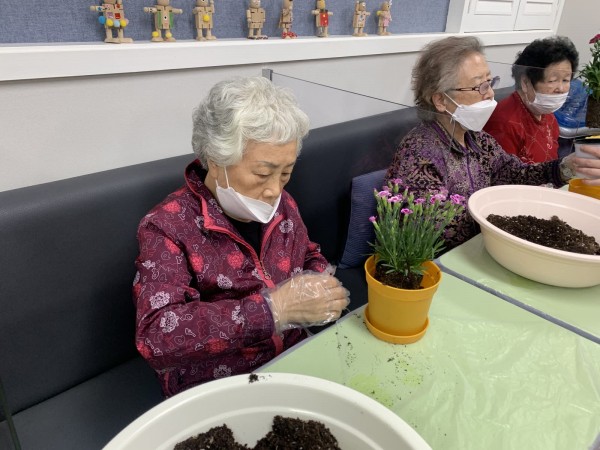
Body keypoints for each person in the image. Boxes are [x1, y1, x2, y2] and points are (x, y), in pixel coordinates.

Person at [133, 76, 350, 397]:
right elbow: (157, 336)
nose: (274, 189)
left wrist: (320, 284)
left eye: (286, 173)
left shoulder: (283, 205)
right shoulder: (167, 226)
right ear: (216, 160)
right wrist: (273, 309)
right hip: (219, 383)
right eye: (263, 173)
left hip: (292, 357)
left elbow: (307, 253)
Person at [385, 36, 600, 250]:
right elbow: (437, 229)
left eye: (490, 82)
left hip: (483, 245)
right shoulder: (419, 152)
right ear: (441, 100)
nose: (490, 94)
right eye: (479, 86)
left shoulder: (478, 139)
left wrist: (566, 167)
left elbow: (515, 174)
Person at [484, 36, 579, 163]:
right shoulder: (505, 124)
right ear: (525, 82)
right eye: (552, 80)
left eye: (566, 80)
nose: (561, 88)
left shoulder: (548, 116)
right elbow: (502, 172)